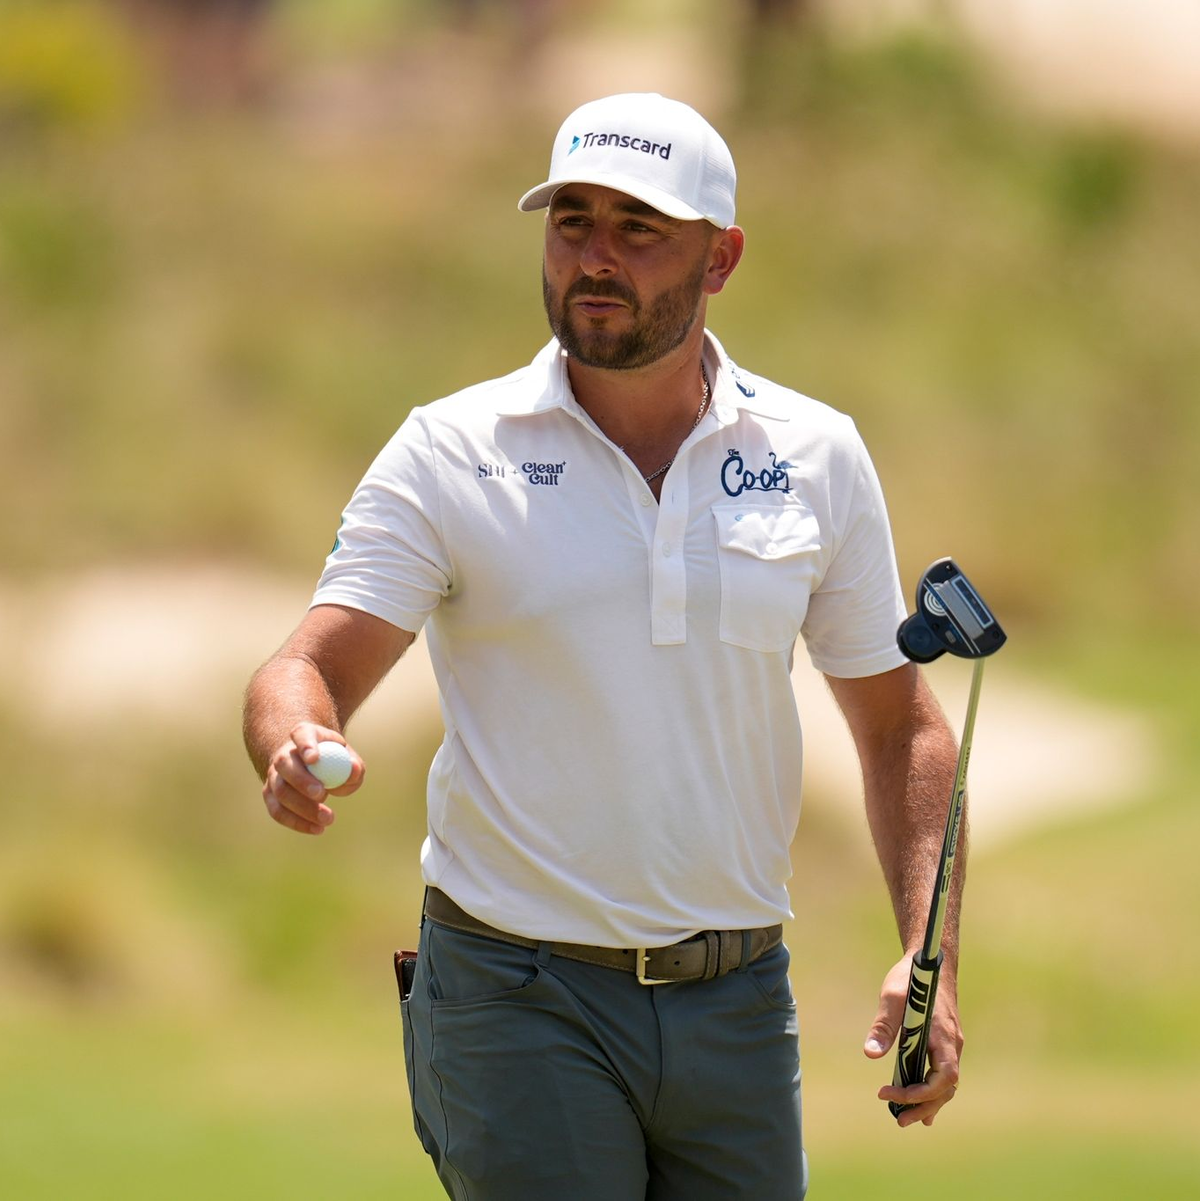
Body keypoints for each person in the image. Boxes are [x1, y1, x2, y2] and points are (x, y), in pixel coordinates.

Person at [243, 92, 963, 1200]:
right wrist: (294, 738)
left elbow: (898, 726)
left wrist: (930, 954)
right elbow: (308, 666)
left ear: (719, 258)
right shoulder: (452, 451)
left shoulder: (816, 455)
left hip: (738, 1000)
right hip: (518, 996)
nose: (595, 257)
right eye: (571, 220)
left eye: (638, 229)